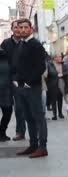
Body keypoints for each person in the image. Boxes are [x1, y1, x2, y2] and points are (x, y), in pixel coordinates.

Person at [12, 18, 48, 158]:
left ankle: (42, 147)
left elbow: (41, 67)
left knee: (38, 117)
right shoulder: (22, 44)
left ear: (31, 29)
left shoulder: (36, 45)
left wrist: (28, 82)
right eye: (20, 27)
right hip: (21, 88)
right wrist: (15, 80)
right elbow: (17, 65)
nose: (22, 30)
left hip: (33, 87)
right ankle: (33, 145)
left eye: (25, 27)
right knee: (28, 117)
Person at [1, 20, 25, 141]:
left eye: (20, 27)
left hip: (20, 80)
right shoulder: (5, 43)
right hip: (6, 81)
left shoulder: (25, 42)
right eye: (15, 27)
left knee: (20, 107)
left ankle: (20, 132)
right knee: (7, 108)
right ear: (12, 29)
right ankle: (2, 132)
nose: (18, 29)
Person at [46, 53, 68, 120]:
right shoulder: (50, 65)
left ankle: (60, 113)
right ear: (55, 58)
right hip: (53, 84)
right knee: (53, 100)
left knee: (60, 99)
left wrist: (62, 74)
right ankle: (55, 115)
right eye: (59, 57)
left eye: (61, 56)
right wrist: (56, 75)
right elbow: (48, 74)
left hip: (62, 84)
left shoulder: (64, 64)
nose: (61, 58)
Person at [0, 48, 13, 141]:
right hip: (5, 91)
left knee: (8, 112)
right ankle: (1, 133)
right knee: (8, 112)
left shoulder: (8, 62)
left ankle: (2, 132)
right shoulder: (8, 62)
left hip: (6, 91)